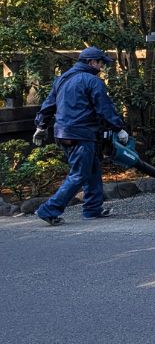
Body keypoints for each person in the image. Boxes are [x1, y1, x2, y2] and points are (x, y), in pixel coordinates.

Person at [33, 46, 128, 226]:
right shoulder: (92, 81)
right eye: (100, 63)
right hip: (82, 133)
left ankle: (92, 209)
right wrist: (118, 128)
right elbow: (104, 109)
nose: (102, 67)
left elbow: (48, 105)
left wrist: (41, 126)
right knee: (79, 174)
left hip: (63, 133)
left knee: (92, 170)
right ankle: (49, 209)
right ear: (91, 62)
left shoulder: (62, 79)